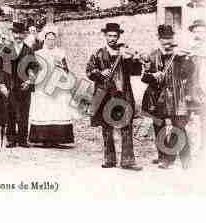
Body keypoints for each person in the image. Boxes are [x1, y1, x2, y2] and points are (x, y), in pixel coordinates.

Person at [86, 22, 142, 170]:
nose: (112, 38)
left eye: (115, 36)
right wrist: (99, 73)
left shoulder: (124, 54)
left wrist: (134, 59)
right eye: (109, 36)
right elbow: (89, 72)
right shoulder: (98, 53)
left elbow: (136, 72)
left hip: (123, 94)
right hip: (105, 95)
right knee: (107, 127)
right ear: (105, 36)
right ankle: (109, 159)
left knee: (126, 126)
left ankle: (128, 161)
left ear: (118, 37)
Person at [141, 24, 194, 169]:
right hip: (157, 97)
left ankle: (186, 160)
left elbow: (187, 74)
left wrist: (187, 59)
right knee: (160, 128)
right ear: (159, 39)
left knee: (179, 127)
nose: (167, 41)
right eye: (164, 38)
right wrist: (153, 75)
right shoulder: (152, 56)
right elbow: (144, 78)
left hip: (177, 96)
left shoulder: (180, 56)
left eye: (170, 38)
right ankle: (163, 157)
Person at [28, 29, 75, 147]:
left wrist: (62, 68)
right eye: (48, 39)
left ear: (56, 40)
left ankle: (57, 138)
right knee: (44, 110)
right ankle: (43, 138)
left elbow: (66, 70)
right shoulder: (38, 53)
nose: (51, 42)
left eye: (53, 39)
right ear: (44, 39)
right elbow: (33, 69)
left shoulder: (61, 52)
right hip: (43, 85)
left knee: (57, 110)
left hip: (57, 86)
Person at [0, 22, 38, 148]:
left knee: (24, 112)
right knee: (10, 112)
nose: (18, 36)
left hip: (24, 85)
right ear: (12, 34)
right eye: (15, 33)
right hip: (10, 86)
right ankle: (11, 139)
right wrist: (1, 84)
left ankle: (22, 139)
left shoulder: (28, 50)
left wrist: (30, 80)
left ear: (24, 35)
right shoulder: (5, 49)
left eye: (20, 33)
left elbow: (34, 67)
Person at [187, 19, 206, 163]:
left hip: (204, 86)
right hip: (192, 88)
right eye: (196, 31)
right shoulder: (191, 48)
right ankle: (192, 149)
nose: (198, 33)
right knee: (191, 120)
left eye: (201, 31)